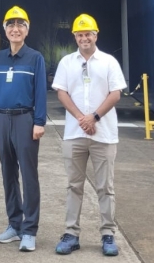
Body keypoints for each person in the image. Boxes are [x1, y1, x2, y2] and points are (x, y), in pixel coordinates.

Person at [51, 13, 127, 256]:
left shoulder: (108, 62)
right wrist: (81, 119)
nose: (84, 38)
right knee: (74, 185)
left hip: (103, 134)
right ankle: (71, 234)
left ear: (96, 35)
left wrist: (93, 117)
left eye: (88, 33)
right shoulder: (66, 63)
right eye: (80, 34)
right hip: (74, 134)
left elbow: (115, 94)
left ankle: (107, 234)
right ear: (74, 36)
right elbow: (61, 92)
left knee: (106, 187)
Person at [0, 5, 47, 252]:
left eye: (20, 25)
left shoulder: (35, 58)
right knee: (8, 174)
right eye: (11, 25)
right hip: (2, 120)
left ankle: (29, 230)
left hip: (25, 120)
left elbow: (41, 92)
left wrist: (39, 122)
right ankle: (14, 224)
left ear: (27, 30)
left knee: (29, 176)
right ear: (5, 30)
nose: (15, 29)